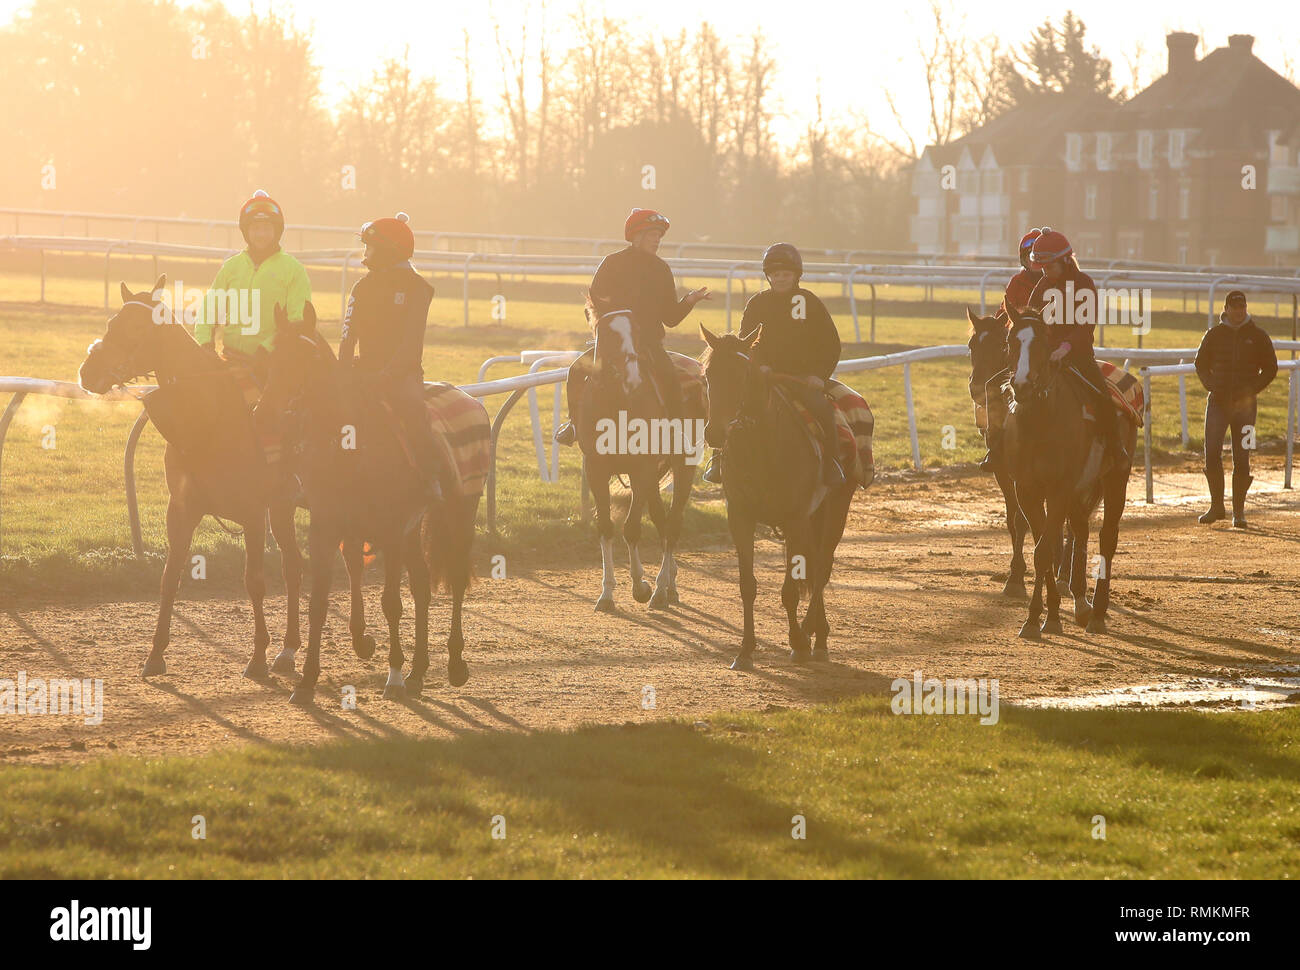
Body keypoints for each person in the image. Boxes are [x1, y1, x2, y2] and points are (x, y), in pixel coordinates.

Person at [554, 208, 711, 446]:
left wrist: (690, 300)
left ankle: (675, 434)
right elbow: (592, 306)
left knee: (669, 378)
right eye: (652, 235)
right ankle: (574, 424)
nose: (657, 240)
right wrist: (604, 333)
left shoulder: (661, 269)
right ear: (637, 236)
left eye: (659, 236)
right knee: (576, 370)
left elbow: (670, 318)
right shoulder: (611, 263)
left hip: (649, 346)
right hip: (611, 345)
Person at [702, 243, 843, 486]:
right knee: (731, 405)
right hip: (762, 377)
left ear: (796, 275)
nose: (780, 279)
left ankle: (832, 463)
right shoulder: (757, 303)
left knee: (822, 409)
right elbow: (745, 343)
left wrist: (819, 376)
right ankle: (719, 459)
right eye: (776, 274)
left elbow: (831, 345)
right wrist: (760, 366)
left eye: (786, 274)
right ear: (768, 276)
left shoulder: (809, 302)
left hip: (802, 380)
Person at [338, 211, 455, 500]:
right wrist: (342, 372)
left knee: (412, 408)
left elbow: (410, 345)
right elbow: (348, 336)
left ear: (388, 250)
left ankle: (430, 476)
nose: (365, 252)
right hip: (363, 369)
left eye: (370, 246)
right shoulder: (362, 287)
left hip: (403, 376)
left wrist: (386, 375)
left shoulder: (418, 288)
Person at [1025, 229, 1128, 468]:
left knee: (1102, 397)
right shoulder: (1043, 286)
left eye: (1049, 267)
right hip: (1045, 358)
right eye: (1042, 268)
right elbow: (1030, 319)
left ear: (1065, 261)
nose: (1045, 272)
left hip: (1079, 357)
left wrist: (1065, 347)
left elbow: (1086, 327)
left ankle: (1115, 446)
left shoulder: (1084, 284)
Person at [195, 190, 311, 384]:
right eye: (256, 228)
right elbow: (209, 310)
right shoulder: (231, 267)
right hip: (231, 361)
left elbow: (297, 321)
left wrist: (266, 349)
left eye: (266, 228)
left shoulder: (294, 270)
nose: (261, 234)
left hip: (272, 367)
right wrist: (205, 344)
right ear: (246, 231)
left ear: (277, 231)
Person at [1193, 290, 1278, 527]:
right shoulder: (1214, 334)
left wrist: (1252, 390)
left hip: (1247, 408)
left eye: (1242, 307)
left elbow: (1271, 368)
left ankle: (1238, 512)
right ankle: (1216, 507)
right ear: (1226, 309)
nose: (1239, 311)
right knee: (1212, 453)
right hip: (1217, 404)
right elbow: (1200, 363)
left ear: (1246, 308)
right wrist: (1211, 385)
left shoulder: (1258, 336)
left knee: (1243, 456)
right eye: (1235, 307)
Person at [979, 227, 1046, 469]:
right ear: (1024, 259)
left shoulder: (1058, 283)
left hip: (1047, 350)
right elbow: (1003, 315)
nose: (1035, 262)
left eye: (1039, 257)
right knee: (991, 386)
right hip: (1021, 351)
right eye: (1031, 257)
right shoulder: (1017, 283)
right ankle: (995, 446)